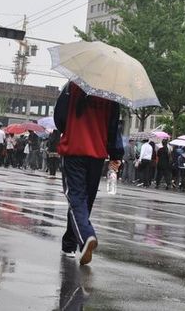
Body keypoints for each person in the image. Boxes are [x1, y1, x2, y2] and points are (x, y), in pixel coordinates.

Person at [55, 82, 122, 266]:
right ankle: (69, 244)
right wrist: (116, 154)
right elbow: (114, 127)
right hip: (97, 153)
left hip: (74, 149)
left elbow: (59, 117)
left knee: (76, 198)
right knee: (84, 202)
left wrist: (70, 128)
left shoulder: (72, 87)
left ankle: (86, 237)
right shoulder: (111, 94)